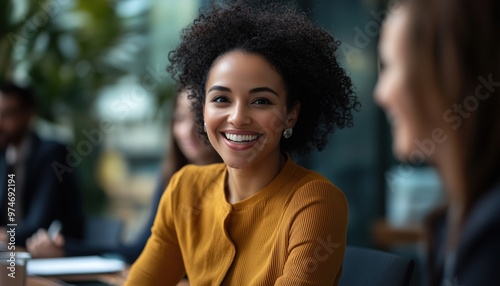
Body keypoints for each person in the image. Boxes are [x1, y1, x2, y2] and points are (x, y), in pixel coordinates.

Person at [125, 1, 359, 285]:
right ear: (202, 107)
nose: (237, 118)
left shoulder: (315, 202)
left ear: (291, 114)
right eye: (221, 99)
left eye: (261, 101)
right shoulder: (184, 189)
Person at [375, 1, 500, 285]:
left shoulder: (491, 236)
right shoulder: (449, 223)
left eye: (393, 66)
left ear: (447, 73)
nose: (381, 94)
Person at [26, 90, 221, 264]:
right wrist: (67, 250)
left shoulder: (236, 183)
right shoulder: (171, 178)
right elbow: (142, 250)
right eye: (179, 119)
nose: (187, 131)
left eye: (197, 118)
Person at [0, 81, 85, 247]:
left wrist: (6, 235)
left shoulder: (52, 153)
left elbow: (39, 223)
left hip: (55, 253)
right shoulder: (4, 156)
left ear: (28, 114)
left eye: (8, 115)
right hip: (14, 252)